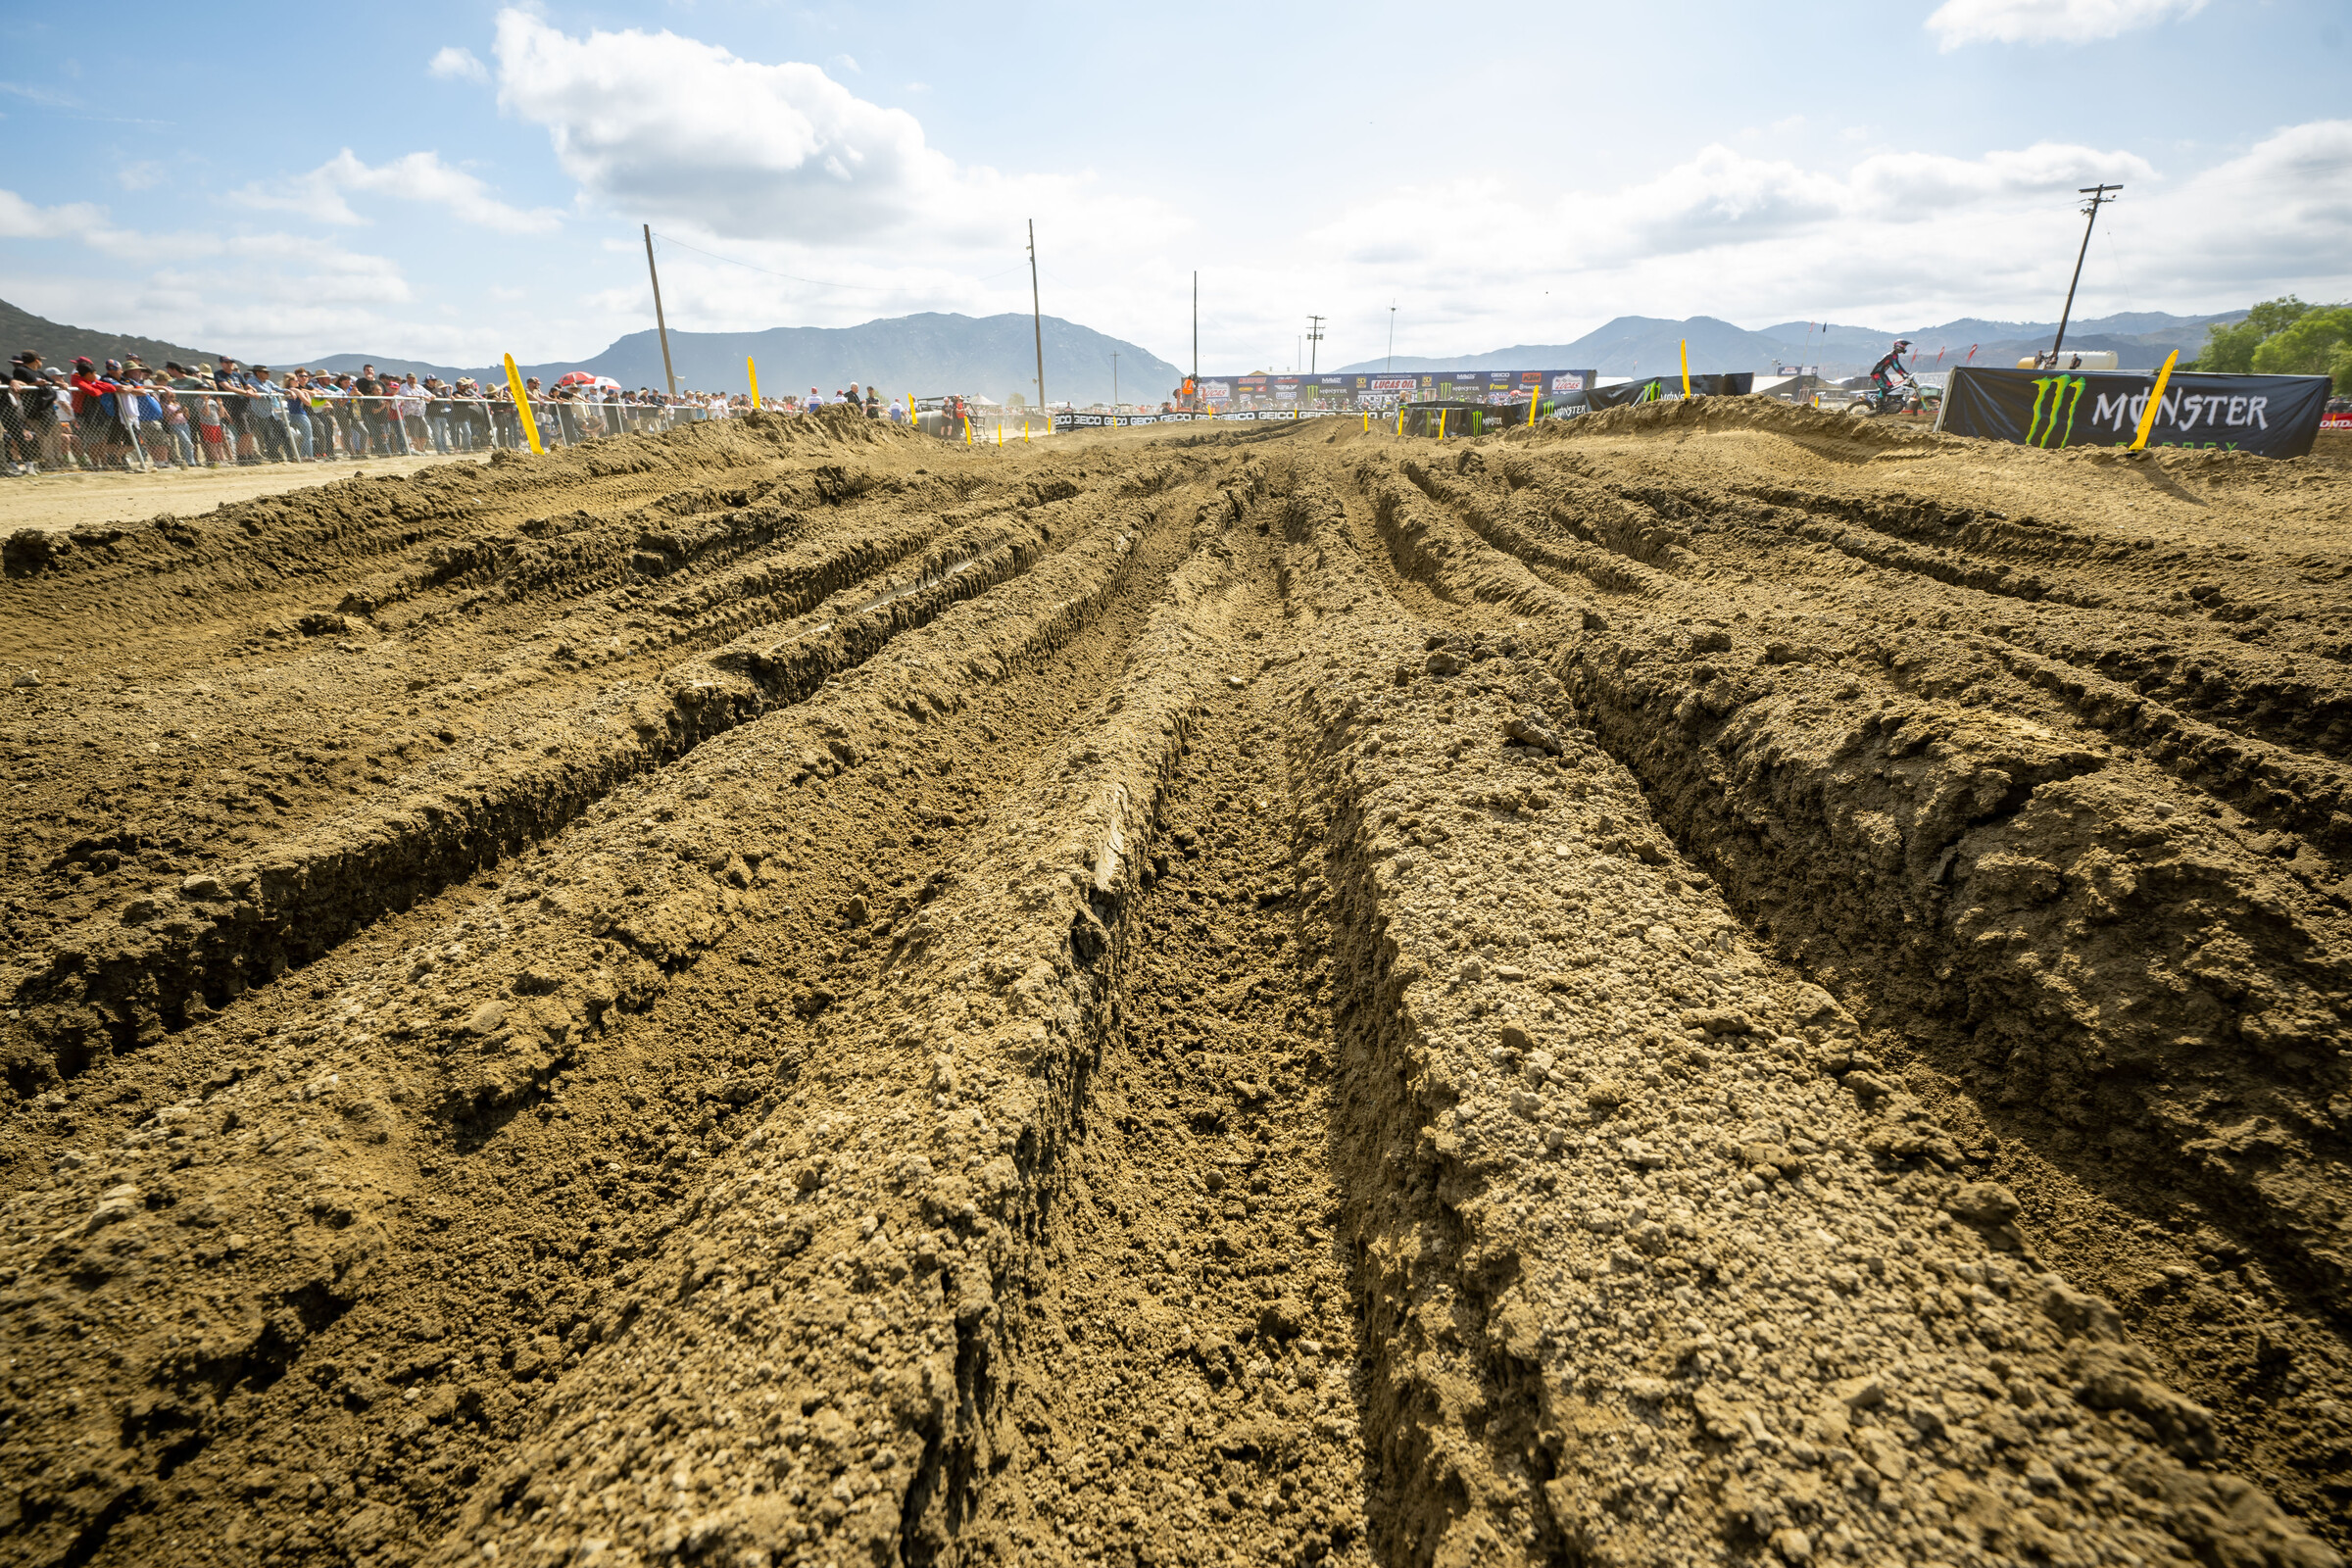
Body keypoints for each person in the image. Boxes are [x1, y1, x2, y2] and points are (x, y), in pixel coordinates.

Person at [1871, 340, 1913, 404]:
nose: (1904, 348)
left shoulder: (1894, 355)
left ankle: (1888, 404)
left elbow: (1898, 365)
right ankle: (1880, 405)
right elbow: (1896, 367)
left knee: (1891, 388)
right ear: (1898, 346)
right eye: (1904, 346)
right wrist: (1903, 375)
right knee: (1884, 389)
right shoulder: (1891, 356)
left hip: (1881, 373)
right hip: (1876, 374)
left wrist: (1906, 373)